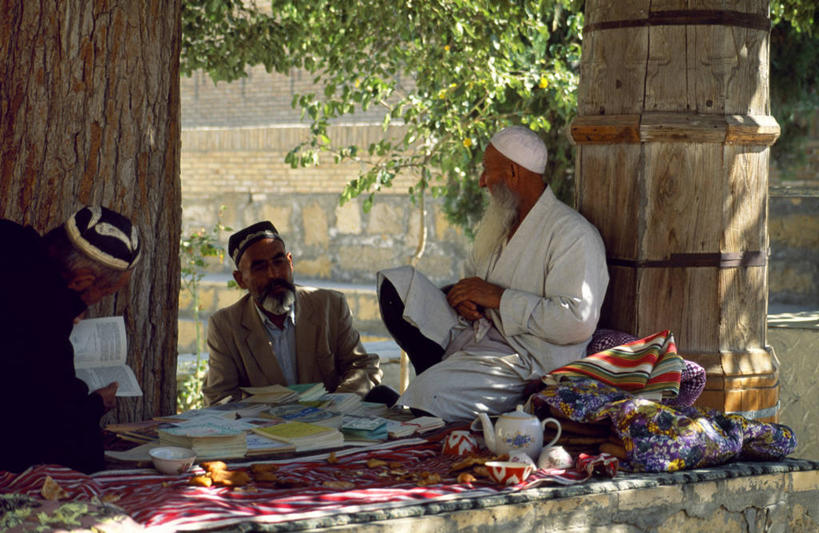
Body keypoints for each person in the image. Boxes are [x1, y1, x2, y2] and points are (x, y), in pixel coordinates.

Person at [378, 126, 609, 422]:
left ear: (513, 172)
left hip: (524, 361)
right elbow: (472, 282)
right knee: (397, 285)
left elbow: (577, 322)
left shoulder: (572, 234)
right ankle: (434, 376)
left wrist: (499, 298)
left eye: (487, 170)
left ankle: (433, 389)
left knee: (430, 394)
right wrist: (464, 299)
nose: (481, 181)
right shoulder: (502, 221)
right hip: (475, 334)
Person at [0, 206, 141, 473]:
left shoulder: (10, 242)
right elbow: (57, 425)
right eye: (106, 292)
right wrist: (96, 404)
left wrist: (70, 303)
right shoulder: (43, 321)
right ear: (81, 282)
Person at [203, 221, 384, 405]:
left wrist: (334, 404)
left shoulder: (330, 306)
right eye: (260, 267)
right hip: (264, 423)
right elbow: (220, 397)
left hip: (330, 419)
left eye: (278, 261)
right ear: (240, 279)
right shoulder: (225, 326)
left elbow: (363, 367)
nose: (273, 274)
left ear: (290, 262)